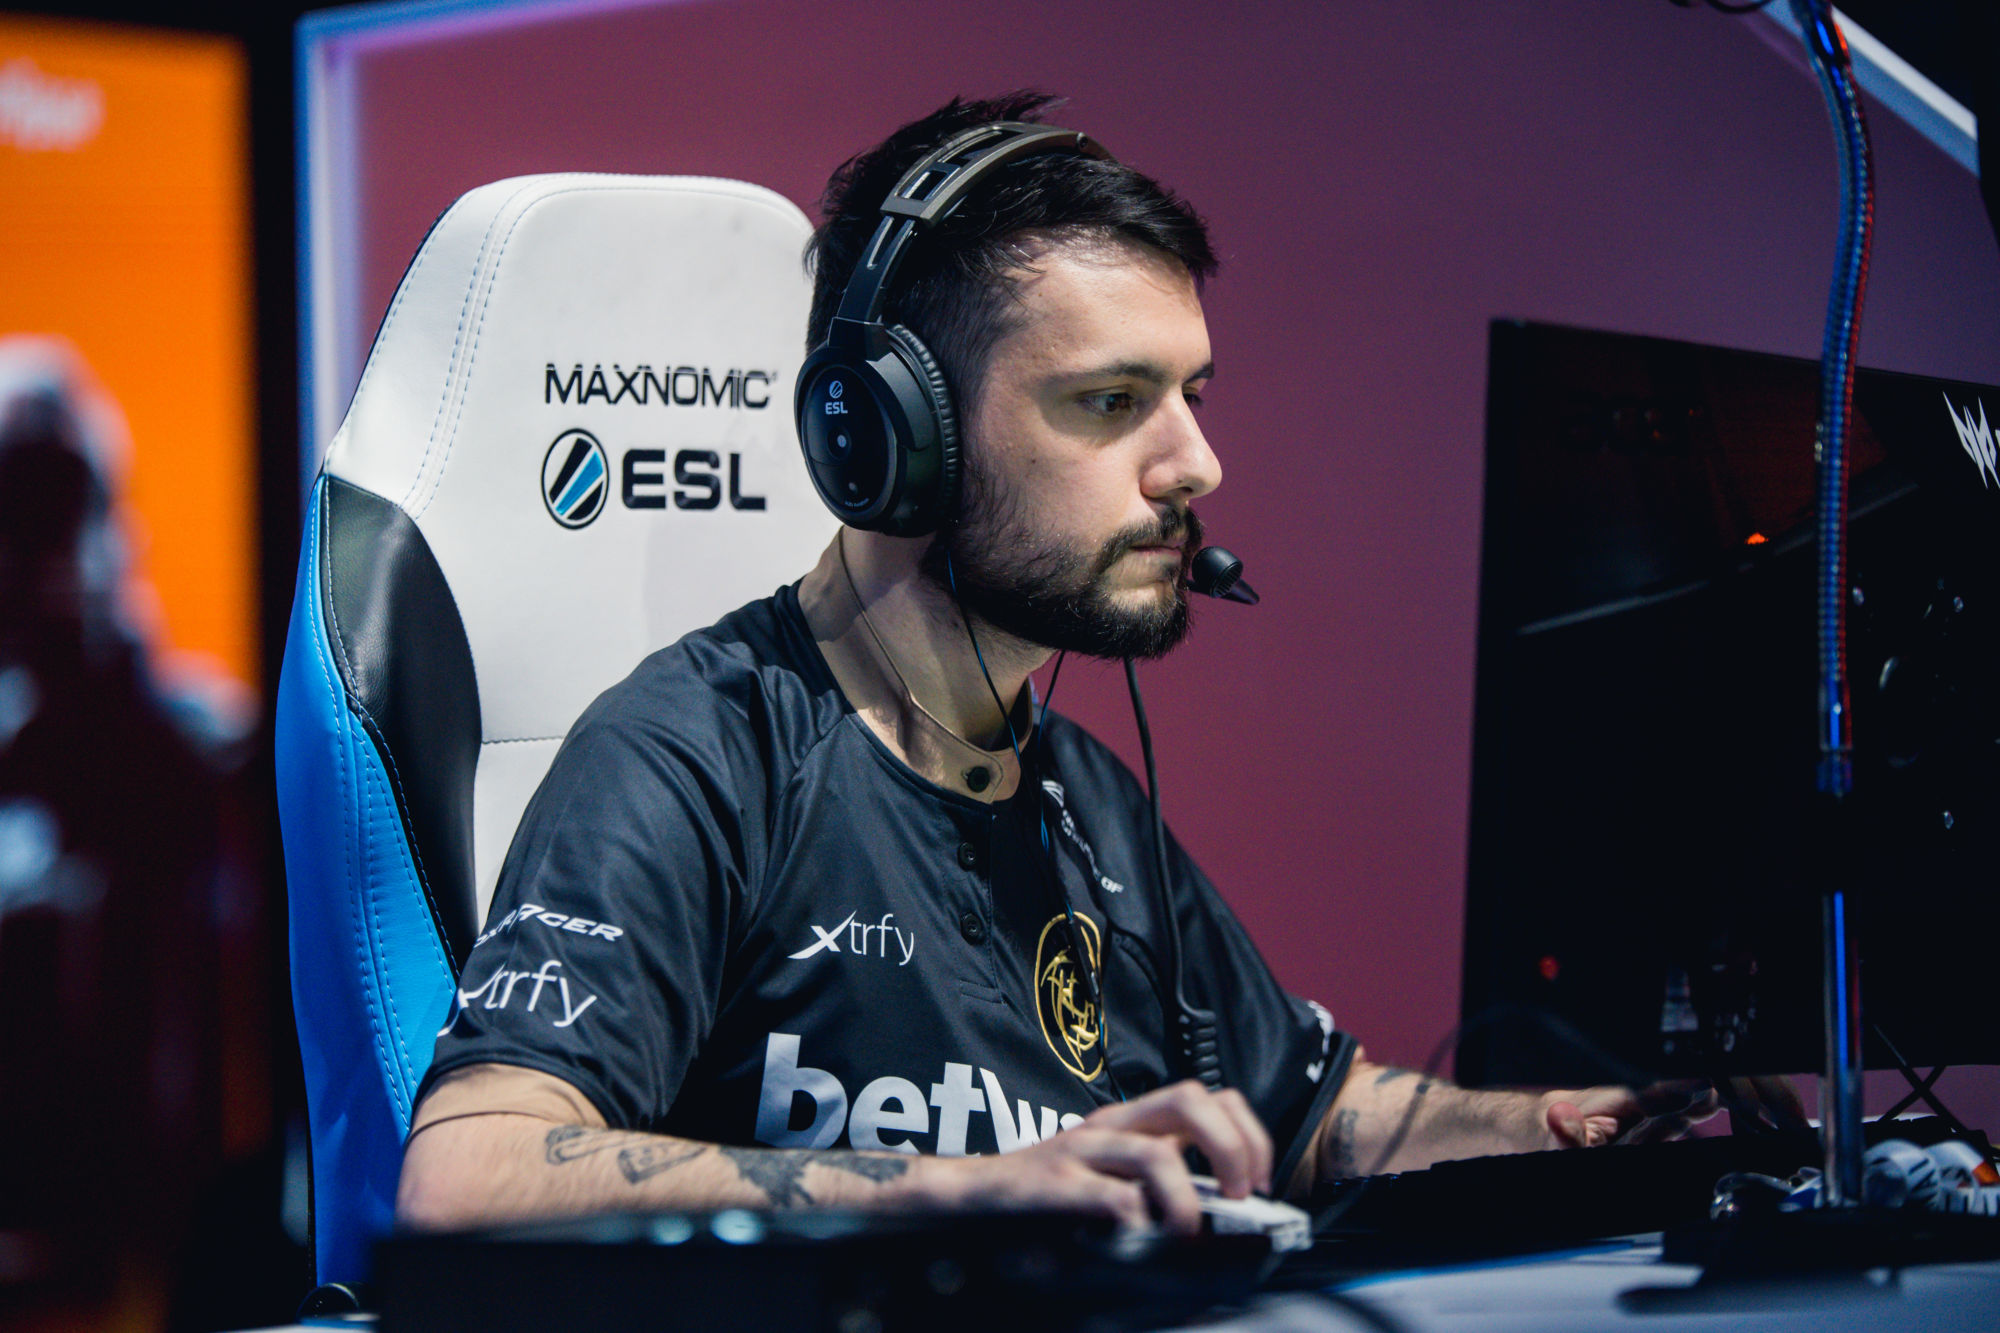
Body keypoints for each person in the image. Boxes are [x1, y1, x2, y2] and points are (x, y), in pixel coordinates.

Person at [396, 93, 1710, 1237]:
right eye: (1110, 403)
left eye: (1194, 396)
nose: (1197, 465)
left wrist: (1556, 1121)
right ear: (894, 440)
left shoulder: (1080, 796)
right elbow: (468, 1177)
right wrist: (964, 1190)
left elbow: (1316, 1115)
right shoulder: (700, 749)